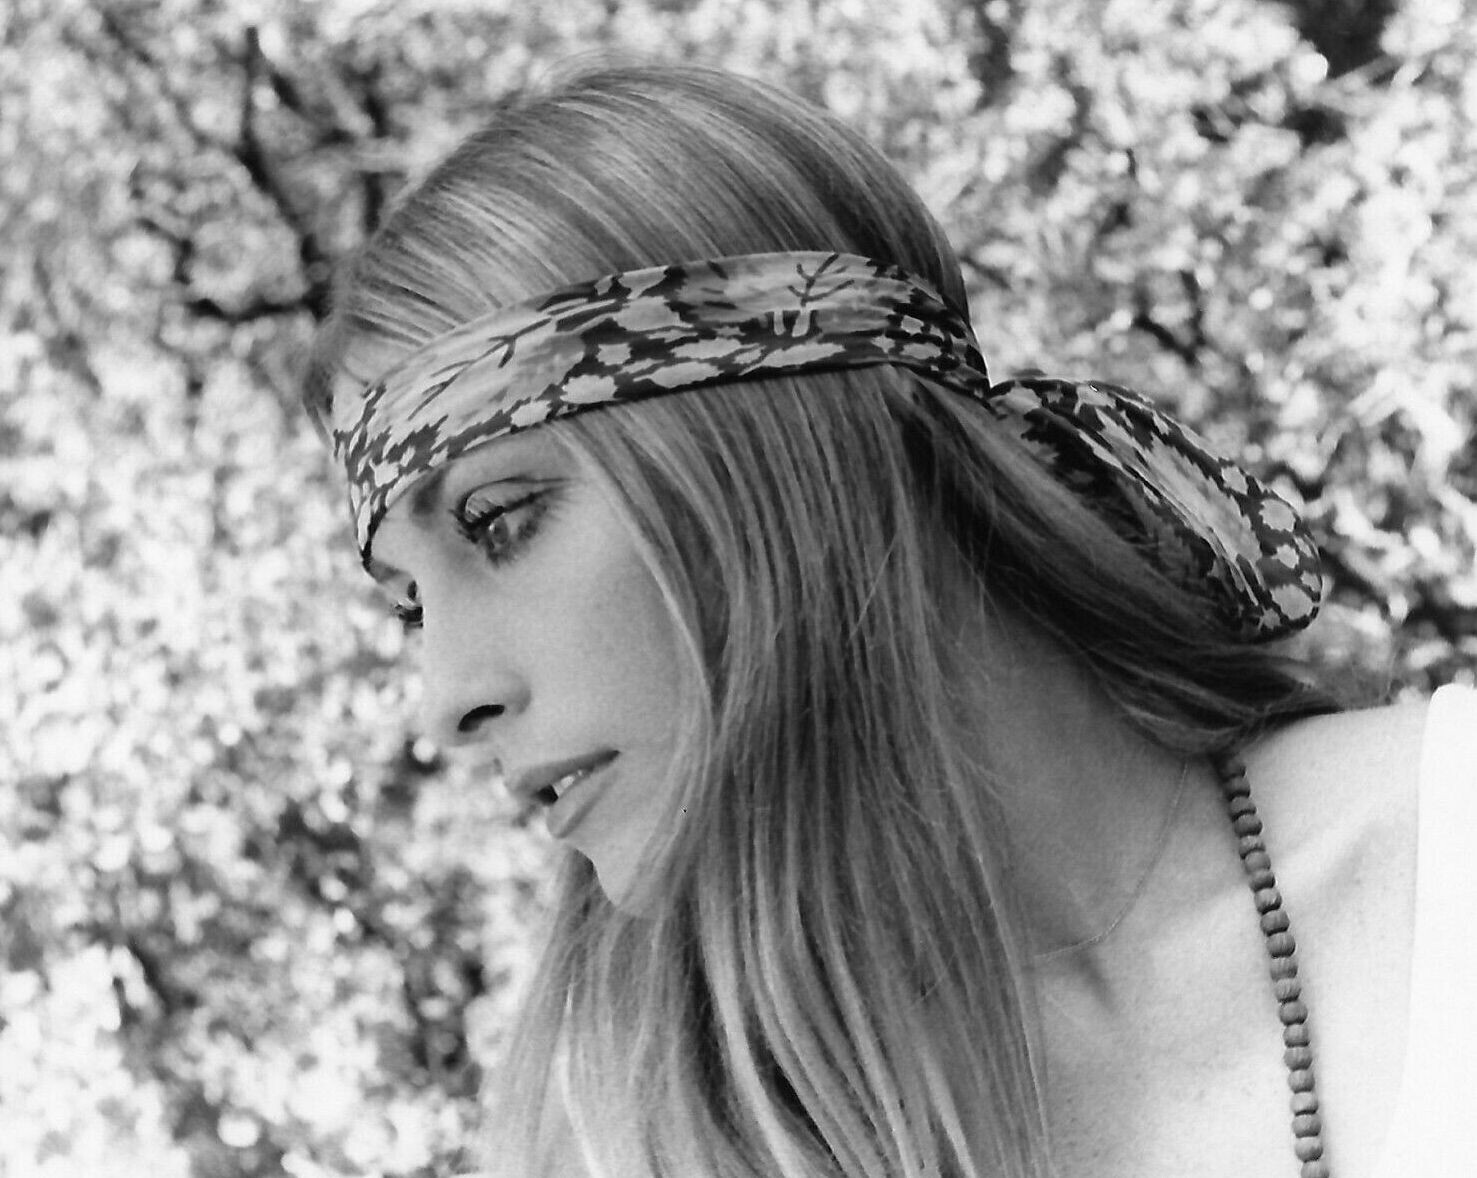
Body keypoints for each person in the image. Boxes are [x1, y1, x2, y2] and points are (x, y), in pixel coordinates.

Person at [302, 62, 1475, 1178]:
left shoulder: (1446, 845)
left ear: (778, 440)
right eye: (410, 604)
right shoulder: (651, 1140)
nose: (445, 697)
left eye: (500, 521)